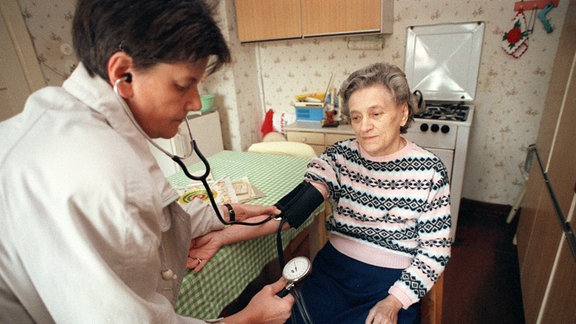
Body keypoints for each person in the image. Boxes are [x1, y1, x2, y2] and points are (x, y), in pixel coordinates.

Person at [0, 0, 294, 323]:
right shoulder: (106, 175)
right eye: (184, 85)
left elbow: (156, 215)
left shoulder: (54, 111)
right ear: (123, 74)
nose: (195, 102)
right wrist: (247, 319)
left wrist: (223, 213)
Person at [188, 62, 452, 323]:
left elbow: (435, 250)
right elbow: (289, 213)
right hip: (334, 271)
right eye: (357, 117)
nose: (364, 126)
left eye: (376, 114)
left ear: (403, 114)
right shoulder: (339, 158)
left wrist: (395, 301)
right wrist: (223, 236)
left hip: (393, 281)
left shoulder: (429, 171)